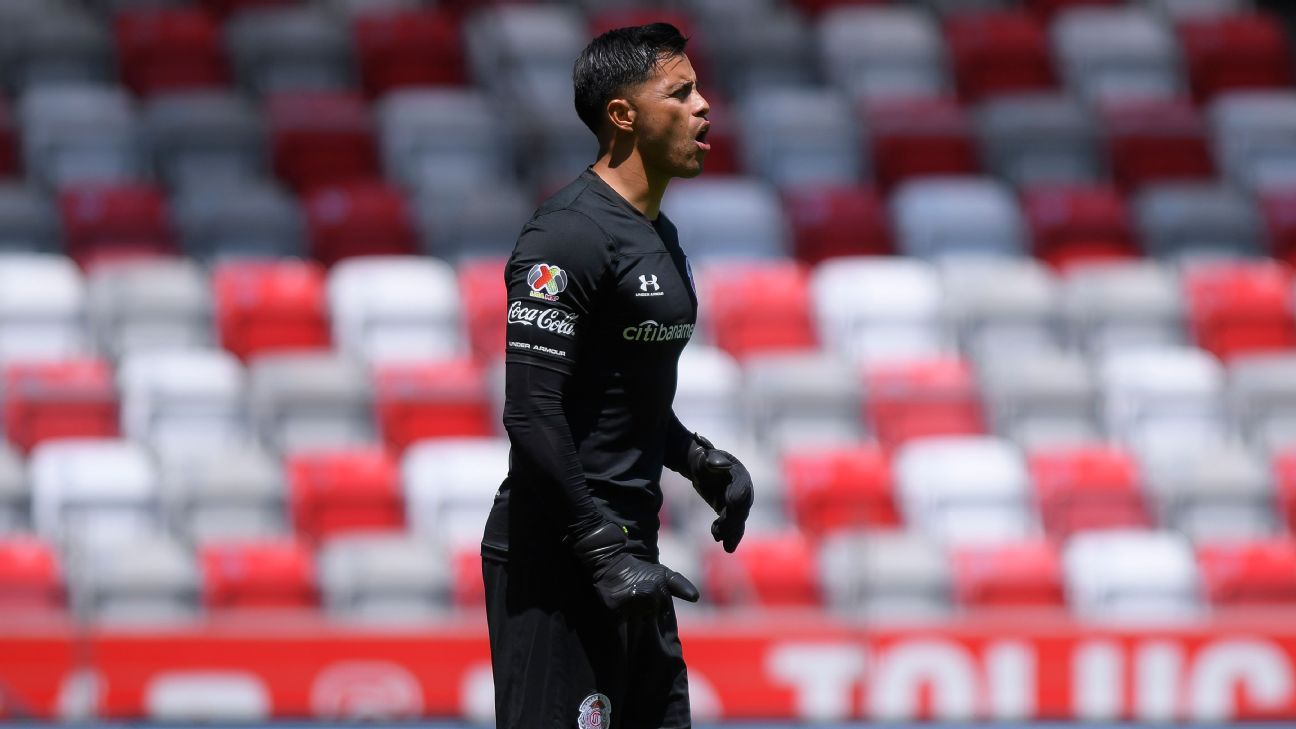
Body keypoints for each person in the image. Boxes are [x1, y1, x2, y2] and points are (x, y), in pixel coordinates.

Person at [481, 22, 755, 729]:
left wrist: (697, 459)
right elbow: (531, 410)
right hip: (560, 562)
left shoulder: (658, 234)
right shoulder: (566, 235)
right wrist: (598, 546)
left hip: (630, 557)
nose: (703, 107)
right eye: (680, 93)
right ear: (623, 114)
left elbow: (621, 392)